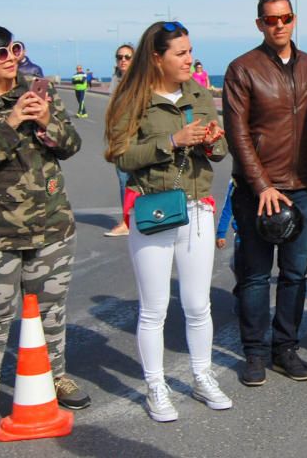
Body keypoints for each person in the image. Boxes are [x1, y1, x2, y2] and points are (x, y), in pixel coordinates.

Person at [0, 23, 90, 436]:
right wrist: (9, 122)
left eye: (15, 49)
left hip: (50, 226)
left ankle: (57, 376)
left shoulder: (39, 93)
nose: (11, 58)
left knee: (52, 310)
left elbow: (70, 146)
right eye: (1, 54)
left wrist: (47, 119)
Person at [104, 21, 232, 421]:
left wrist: (212, 141)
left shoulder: (198, 91)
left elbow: (222, 148)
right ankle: (156, 386)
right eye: (180, 53)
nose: (189, 59)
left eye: (190, 50)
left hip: (197, 209)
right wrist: (171, 142)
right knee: (154, 308)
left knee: (198, 305)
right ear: (157, 57)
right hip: (154, 208)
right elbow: (120, 155)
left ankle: (201, 375)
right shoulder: (132, 98)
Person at [223, 0, 307, 388]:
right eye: (271, 20)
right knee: (254, 275)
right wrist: (263, 186)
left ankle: (285, 347)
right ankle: (254, 352)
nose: (279, 25)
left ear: (294, 19)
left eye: (285, 18)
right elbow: (238, 136)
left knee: (295, 274)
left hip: (303, 186)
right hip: (257, 191)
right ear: (260, 24)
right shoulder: (242, 69)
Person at [105, 43, 135, 237]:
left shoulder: (140, 80)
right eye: (119, 57)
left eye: (127, 57)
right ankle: (127, 221)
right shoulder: (116, 79)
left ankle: (133, 221)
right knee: (124, 179)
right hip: (119, 136)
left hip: (136, 136)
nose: (122, 60)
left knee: (137, 180)